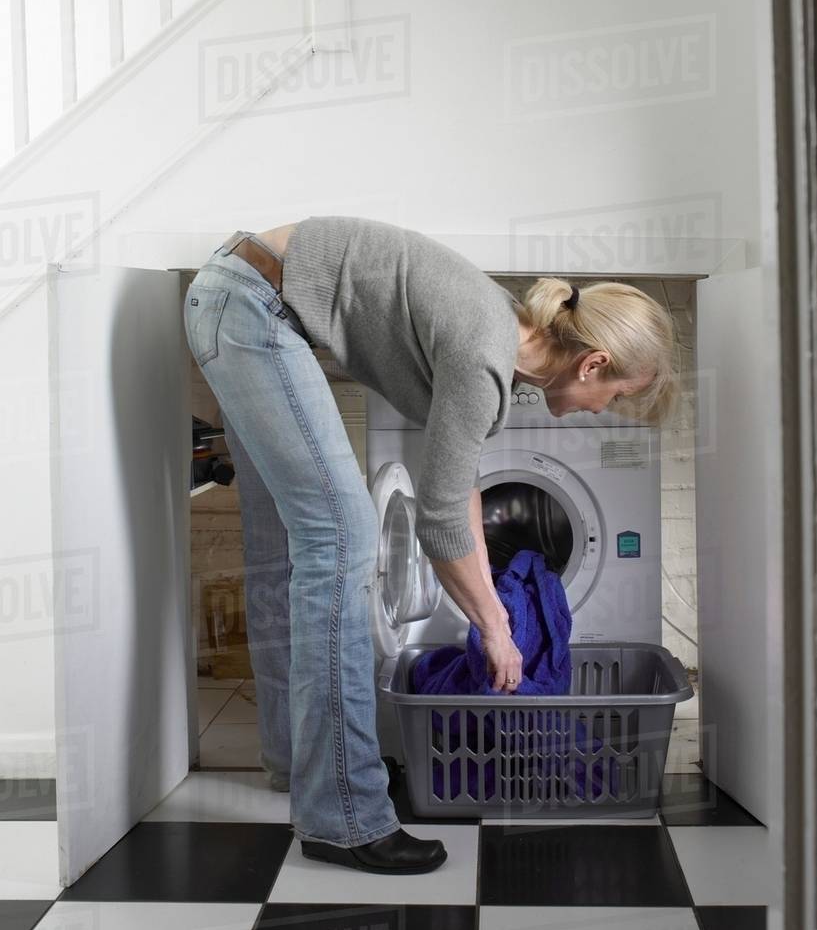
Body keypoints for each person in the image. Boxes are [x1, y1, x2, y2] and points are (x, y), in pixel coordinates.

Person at [182, 216, 678, 874]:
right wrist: (496, 629)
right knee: (339, 540)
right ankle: (344, 816)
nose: (601, 409)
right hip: (253, 306)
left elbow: (455, 485)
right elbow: (441, 525)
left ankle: (298, 765)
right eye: (614, 394)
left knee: (287, 551)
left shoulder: (502, 338)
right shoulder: (485, 356)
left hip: (239, 298)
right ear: (593, 362)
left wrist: (492, 617)